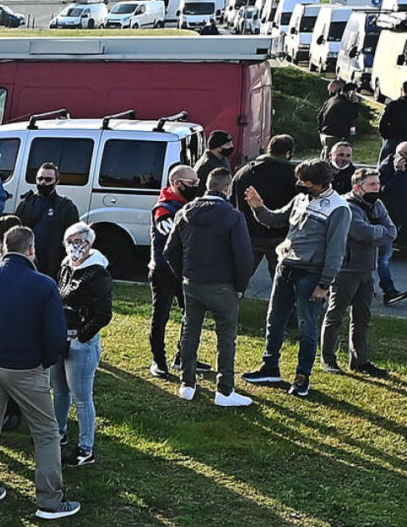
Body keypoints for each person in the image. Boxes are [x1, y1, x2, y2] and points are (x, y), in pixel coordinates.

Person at [0, 220, 79, 520]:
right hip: (27, 367)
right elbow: (56, 334)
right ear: (31, 249)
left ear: (4, 248)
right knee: (46, 431)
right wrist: (44, 361)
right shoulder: (43, 284)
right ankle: (50, 501)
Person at [240, 159, 345, 395]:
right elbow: (275, 220)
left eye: (303, 181)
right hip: (285, 266)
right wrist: (258, 207)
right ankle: (270, 367)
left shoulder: (338, 208)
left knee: (306, 327)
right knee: (274, 319)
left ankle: (302, 377)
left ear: (318, 183)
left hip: (311, 274)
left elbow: (336, 249)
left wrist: (324, 283)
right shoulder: (300, 199)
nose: (298, 184)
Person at [161, 170, 256, 406]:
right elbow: (244, 258)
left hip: (192, 283)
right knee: (226, 336)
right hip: (223, 285)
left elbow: (169, 252)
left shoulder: (184, 212)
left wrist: (184, 274)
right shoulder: (233, 216)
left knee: (190, 331)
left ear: (206, 186)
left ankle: (187, 384)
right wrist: (241, 286)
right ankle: (224, 390)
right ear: (227, 188)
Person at [321, 166, 397, 376]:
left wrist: (376, 231)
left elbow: (391, 231)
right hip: (346, 270)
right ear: (358, 187)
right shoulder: (348, 206)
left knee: (362, 318)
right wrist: (376, 231)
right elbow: (363, 233)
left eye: (378, 184)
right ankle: (328, 359)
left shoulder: (377, 204)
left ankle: (360, 360)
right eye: (372, 185)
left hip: (367, 270)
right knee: (335, 315)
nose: (377, 188)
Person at [51, 223, 114, 466]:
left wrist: (82, 337)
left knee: (81, 396)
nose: (74, 247)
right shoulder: (66, 266)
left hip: (81, 341)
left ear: (90, 244)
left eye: (80, 242)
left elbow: (104, 314)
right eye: (70, 241)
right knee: (59, 390)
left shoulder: (98, 273)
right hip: (61, 336)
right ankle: (59, 431)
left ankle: (86, 448)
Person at [145, 164, 197, 380]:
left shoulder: (189, 204)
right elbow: (170, 238)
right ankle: (159, 360)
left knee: (191, 315)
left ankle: (183, 355)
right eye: (192, 183)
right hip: (164, 271)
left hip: (185, 271)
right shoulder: (164, 209)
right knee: (161, 316)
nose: (196, 187)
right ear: (177, 184)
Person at [231, 135, 300, 268]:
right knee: (280, 280)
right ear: (288, 153)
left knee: (239, 278)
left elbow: (233, 203)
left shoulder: (243, 172)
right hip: (280, 236)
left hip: (248, 234)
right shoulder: (294, 175)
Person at [12, 163, 82, 278]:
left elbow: (73, 237)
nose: (43, 182)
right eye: (40, 179)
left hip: (53, 263)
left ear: (56, 181)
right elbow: (15, 232)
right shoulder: (26, 204)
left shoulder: (66, 207)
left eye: (48, 179)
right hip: (28, 260)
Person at [376, 141, 407, 304]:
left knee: (378, 256)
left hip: (399, 220)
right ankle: (389, 291)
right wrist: (398, 173)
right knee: (384, 257)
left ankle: (365, 286)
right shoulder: (386, 169)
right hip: (386, 219)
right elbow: (385, 192)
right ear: (398, 154)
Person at [317, 77, 361, 155]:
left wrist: (320, 131)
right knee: (332, 159)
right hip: (335, 136)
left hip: (325, 134)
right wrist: (355, 104)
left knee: (325, 155)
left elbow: (320, 116)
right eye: (354, 93)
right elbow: (353, 116)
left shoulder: (331, 100)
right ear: (350, 93)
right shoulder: (344, 104)